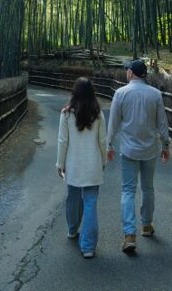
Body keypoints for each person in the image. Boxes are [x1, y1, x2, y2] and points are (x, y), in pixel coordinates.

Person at [106, 59, 170, 254]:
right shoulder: (155, 94)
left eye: (127, 70)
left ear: (132, 73)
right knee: (148, 187)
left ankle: (129, 235)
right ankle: (147, 225)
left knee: (127, 190)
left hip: (128, 150)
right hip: (149, 150)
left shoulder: (121, 93)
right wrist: (165, 145)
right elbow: (162, 124)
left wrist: (108, 144)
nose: (126, 72)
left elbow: (114, 122)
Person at [56, 77, 107, 259]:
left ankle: (72, 230)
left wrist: (60, 164)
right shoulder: (98, 113)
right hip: (92, 165)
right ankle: (88, 247)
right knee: (91, 204)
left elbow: (63, 142)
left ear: (74, 92)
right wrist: (103, 161)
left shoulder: (66, 114)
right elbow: (103, 141)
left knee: (73, 197)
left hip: (73, 165)